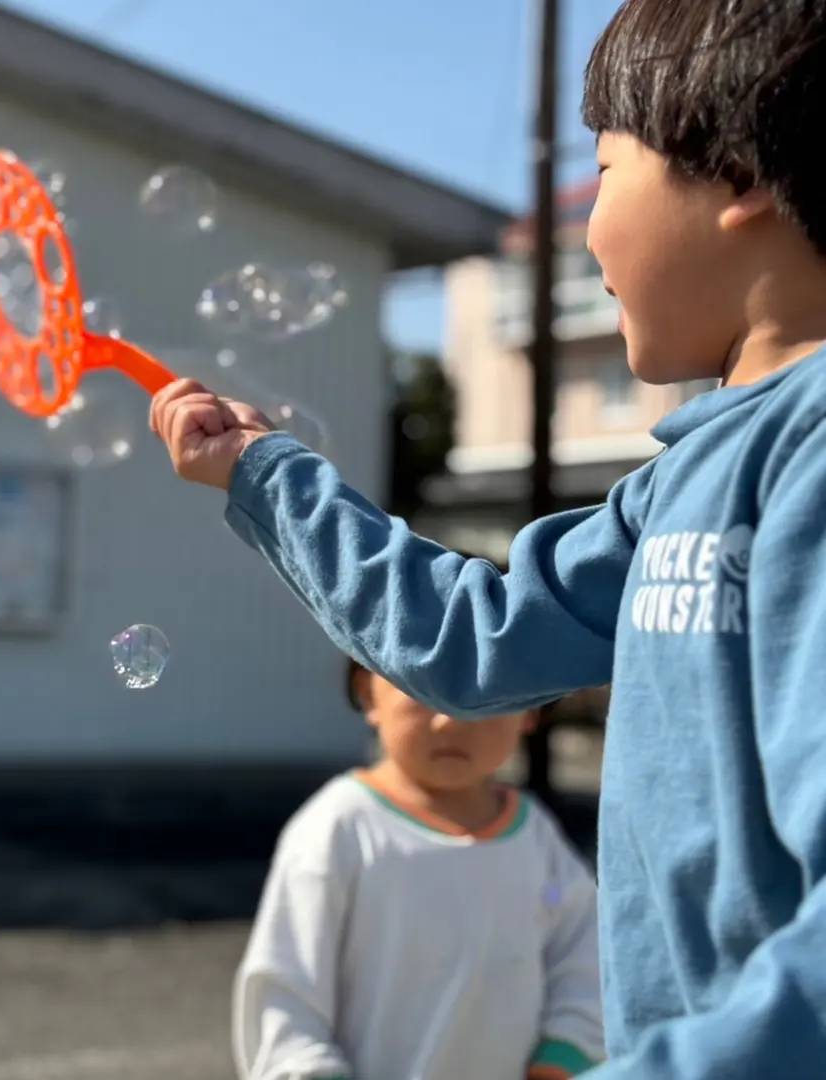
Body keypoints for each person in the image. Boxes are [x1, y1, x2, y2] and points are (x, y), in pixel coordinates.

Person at [151, 1, 826, 1074]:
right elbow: (477, 639)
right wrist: (263, 475)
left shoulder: (811, 453)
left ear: (737, 174)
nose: (589, 224)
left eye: (606, 171)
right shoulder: (680, 478)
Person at [233, 659, 603, 1080]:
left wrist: (562, 1057)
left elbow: (582, 962)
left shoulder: (537, 838)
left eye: (481, 698)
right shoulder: (337, 829)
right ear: (368, 691)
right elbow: (285, 999)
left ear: (532, 708)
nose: (449, 722)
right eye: (422, 691)